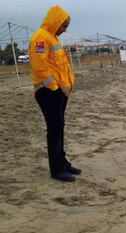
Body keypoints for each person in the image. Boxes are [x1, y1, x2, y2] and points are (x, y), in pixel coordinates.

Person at [29, 5, 81, 182]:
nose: (65, 29)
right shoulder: (40, 38)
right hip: (48, 92)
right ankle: (56, 169)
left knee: (59, 127)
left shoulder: (52, 38)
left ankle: (62, 161)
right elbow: (40, 67)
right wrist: (53, 87)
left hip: (58, 92)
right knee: (54, 129)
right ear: (55, 21)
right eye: (64, 26)